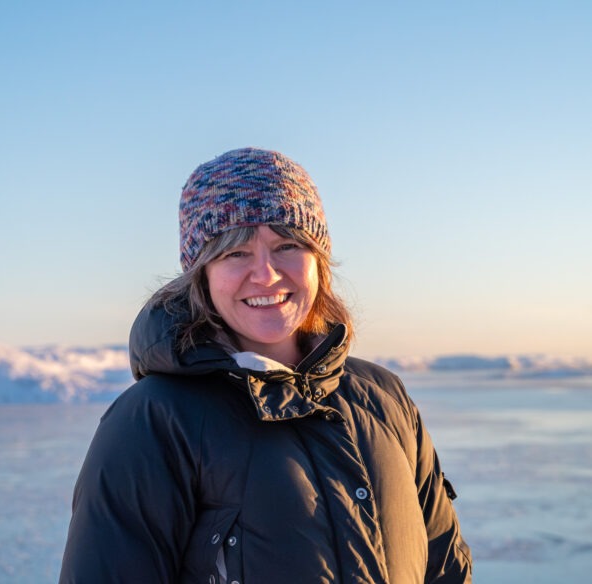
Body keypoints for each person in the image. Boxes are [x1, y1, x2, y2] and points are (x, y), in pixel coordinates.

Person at [59, 147, 472, 583]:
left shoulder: (383, 398)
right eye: (235, 253)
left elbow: (446, 569)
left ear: (319, 261)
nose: (266, 273)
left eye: (287, 245)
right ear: (201, 274)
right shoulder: (154, 421)